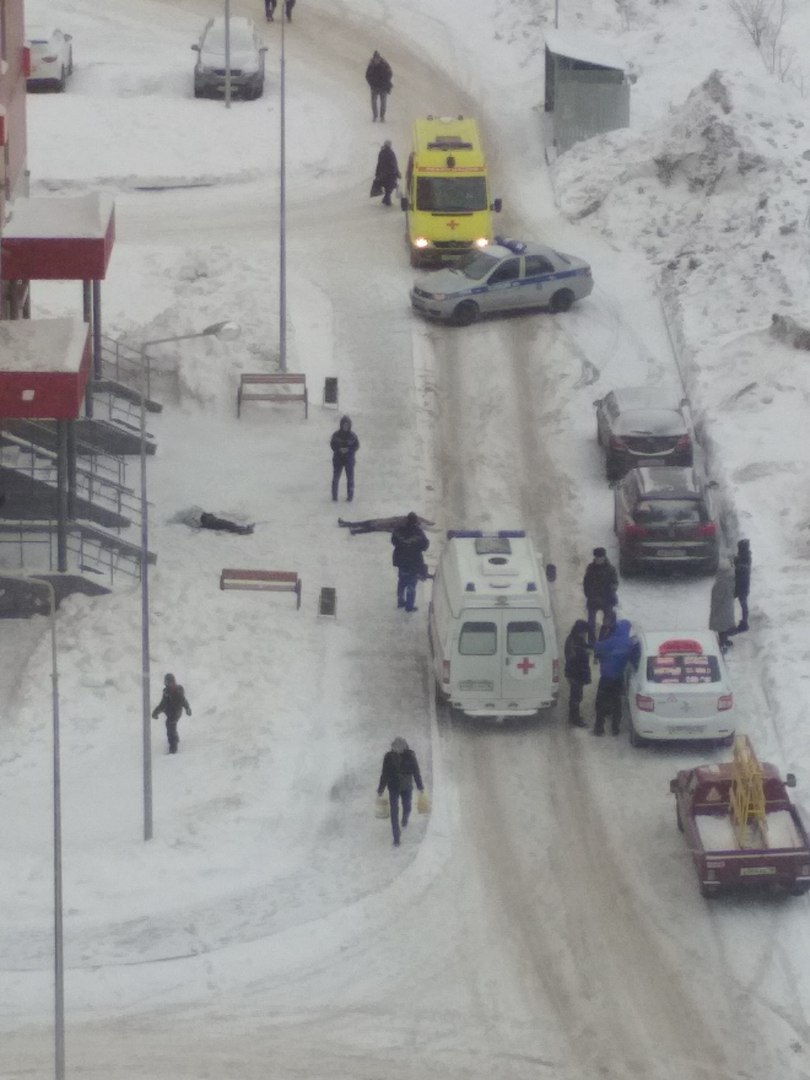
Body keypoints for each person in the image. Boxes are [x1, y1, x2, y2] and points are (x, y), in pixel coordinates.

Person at [592, 619, 638, 736]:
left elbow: (597, 648)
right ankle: (615, 729)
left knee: (601, 703)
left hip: (606, 678)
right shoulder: (629, 644)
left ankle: (599, 729)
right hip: (618, 678)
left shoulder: (610, 642)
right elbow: (634, 656)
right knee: (617, 703)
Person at [377, 736, 424, 846]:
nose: (397, 750)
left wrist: (420, 786)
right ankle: (396, 837)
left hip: (406, 787)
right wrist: (381, 789)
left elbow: (416, 771)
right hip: (393, 787)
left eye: (400, 747)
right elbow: (384, 773)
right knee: (394, 811)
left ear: (404, 747)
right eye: (395, 747)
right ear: (393, 747)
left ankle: (404, 819)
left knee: (407, 806)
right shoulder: (388, 757)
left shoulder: (410, 755)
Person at [391, 512, 429, 613]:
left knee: (402, 581)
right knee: (411, 584)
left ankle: (400, 600)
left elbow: (393, 541)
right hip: (414, 562)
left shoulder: (399, 530)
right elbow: (425, 546)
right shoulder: (418, 533)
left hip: (401, 560)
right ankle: (409, 606)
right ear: (416, 522)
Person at [583, 547, 619, 645]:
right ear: (595, 558)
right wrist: (589, 594)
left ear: (604, 557)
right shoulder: (590, 568)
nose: (600, 560)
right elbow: (586, 583)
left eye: (601, 558)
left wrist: (611, 590)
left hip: (607, 599)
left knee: (607, 623)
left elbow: (615, 583)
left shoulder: (610, 569)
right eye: (598, 558)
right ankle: (591, 642)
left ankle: (604, 641)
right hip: (593, 599)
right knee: (591, 623)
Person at [151, 673, 192, 754]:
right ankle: (176, 739)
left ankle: (173, 748)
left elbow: (183, 701)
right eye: (168, 683)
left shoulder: (178, 691)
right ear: (166, 683)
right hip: (170, 712)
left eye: (171, 682)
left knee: (170, 727)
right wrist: (156, 712)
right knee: (170, 726)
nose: (170, 684)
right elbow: (162, 705)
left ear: (174, 682)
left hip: (175, 713)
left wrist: (187, 708)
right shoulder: (167, 693)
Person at [563, 619, 591, 727]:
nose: (585, 634)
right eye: (584, 632)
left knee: (576, 696)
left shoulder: (575, 639)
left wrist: (587, 648)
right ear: (580, 631)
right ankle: (574, 718)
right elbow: (572, 657)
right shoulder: (573, 641)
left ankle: (574, 716)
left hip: (576, 673)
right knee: (576, 697)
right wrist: (584, 652)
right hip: (575, 673)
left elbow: (583, 646)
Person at [330, 415, 359, 502]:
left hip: (349, 460)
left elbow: (356, 446)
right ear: (341, 425)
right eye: (344, 425)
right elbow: (332, 445)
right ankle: (334, 497)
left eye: (347, 425)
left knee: (350, 479)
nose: (345, 427)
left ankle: (350, 497)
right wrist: (339, 449)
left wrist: (348, 450)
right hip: (338, 459)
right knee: (335, 478)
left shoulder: (353, 436)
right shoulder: (336, 435)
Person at [710, 564, 737, 653]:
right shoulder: (723, 583)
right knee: (723, 627)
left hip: (724, 609)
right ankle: (722, 643)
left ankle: (723, 642)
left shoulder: (724, 583)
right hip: (723, 609)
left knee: (724, 626)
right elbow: (717, 597)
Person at [338, 513, 434, 535]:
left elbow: (394, 527)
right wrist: (429, 523)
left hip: (384, 524)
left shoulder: (405, 522)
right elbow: (421, 519)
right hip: (385, 524)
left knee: (368, 526)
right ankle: (352, 528)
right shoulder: (409, 521)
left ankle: (349, 526)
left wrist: (429, 523)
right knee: (368, 526)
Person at [365, 50, 393, 122]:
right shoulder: (371, 65)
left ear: (379, 58)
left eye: (377, 59)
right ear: (373, 59)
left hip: (383, 87)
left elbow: (390, 73)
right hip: (374, 87)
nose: (376, 61)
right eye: (375, 59)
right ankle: (375, 116)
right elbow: (367, 76)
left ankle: (382, 116)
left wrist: (386, 82)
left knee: (383, 102)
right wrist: (372, 83)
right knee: (373, 102)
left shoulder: (384, 65)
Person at [373, 140, 401, 207]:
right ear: (389, 145)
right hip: (390, 174)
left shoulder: (381, 152)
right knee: (390, 187)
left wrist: (377, 173)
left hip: (383, 173)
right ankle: (386, 200)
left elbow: (379, 163)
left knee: (387, 187)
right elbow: (394, 164)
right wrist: (397, 172)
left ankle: (386, 200)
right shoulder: (390, 153)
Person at [733, 538, 752, 632]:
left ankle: (744, 622)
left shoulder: (744, 558)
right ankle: (744, 622)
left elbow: (743, 569)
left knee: (743, 604)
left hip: (741, 584)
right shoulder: (744, 556)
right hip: (742, 584)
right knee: (743, 604)